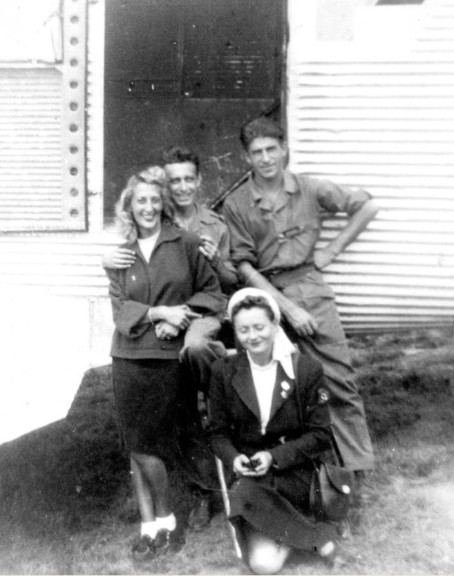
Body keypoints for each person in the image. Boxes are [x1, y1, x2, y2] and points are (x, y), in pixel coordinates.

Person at [223, 117, 378, 490]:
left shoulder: (308, 188)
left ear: (284, 149)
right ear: (247, 157)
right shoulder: (237, 202)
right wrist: (286, 309)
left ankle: (355, 473)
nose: (265, 158)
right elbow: (243, 265)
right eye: (256, 152)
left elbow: (368, 206)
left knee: (340, 381)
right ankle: (287, 477)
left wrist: (331, 250)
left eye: (271, 149)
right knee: (276, 389)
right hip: (267, 299)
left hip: (310, 288)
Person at [103, 147, 239, 531]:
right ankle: (151, 526)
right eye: (139, 201)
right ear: (128, 207)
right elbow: (119, 311)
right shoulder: (122, 255)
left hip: (165, 355)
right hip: (127, 354)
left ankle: (174, 512)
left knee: (161, 436)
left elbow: (214, 294)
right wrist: (159, 313)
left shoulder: (186, 243)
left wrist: (181, 316)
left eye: (153, 201)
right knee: (137, 441)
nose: (147, 207)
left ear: (163, 205)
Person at [208, 288, 340, 574]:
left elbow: (321, 435)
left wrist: (274, 456)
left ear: (275, 326)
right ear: (235, 332)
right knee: (263, 565)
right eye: (243, 330)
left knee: (245, 497)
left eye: (259, 327)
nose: (252, 337)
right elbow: (216, 433)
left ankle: (290, 530)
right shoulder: (223, 371)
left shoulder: (305, 369)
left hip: (294, 473)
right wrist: (234, 459)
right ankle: (316, 537)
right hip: (251, 476)